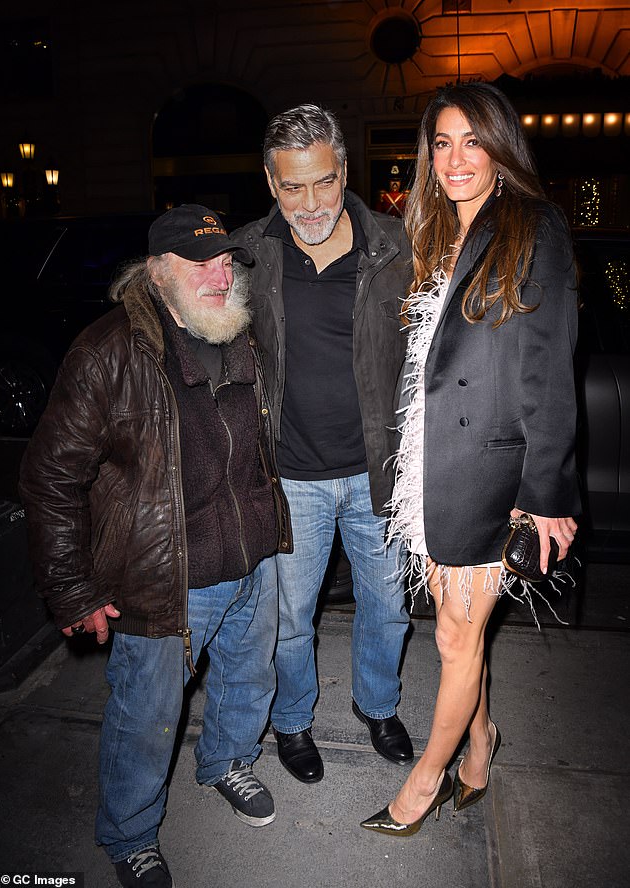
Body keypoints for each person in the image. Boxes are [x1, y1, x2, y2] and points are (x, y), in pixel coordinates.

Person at [18, 205, 291, 888]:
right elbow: (50, 477)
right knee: (147, 715)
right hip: (163, 573)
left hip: (250, 552)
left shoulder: (237, 330)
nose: (220, 274)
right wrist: (72, 590)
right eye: (202, 263)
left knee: (247, 678)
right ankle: (131, 831)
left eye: (227, 260)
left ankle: (227, 760)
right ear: (158, 272)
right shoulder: (106, 351)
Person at [360, 82, 580, 836]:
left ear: (499, 148)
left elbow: (547, 369)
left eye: (472, 141)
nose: (455, 158)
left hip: (493, 471)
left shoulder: (531, 225)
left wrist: (544, 493)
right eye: (441, 143)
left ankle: (424, 783)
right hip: (434, 462)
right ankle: (480, 744)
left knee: (455, 634)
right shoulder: (436, 232)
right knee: (460, 630)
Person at [232, 104, 414, 784]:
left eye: (323, 183)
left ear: (346, 171)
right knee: (290, 617)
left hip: (379, 471)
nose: (308, 204)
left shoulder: (396, 247)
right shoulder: (249, 252)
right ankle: (293, 720)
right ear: (270, 181)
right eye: (290, 186)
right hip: (292, 474)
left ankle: (379, 704)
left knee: (387, 607)